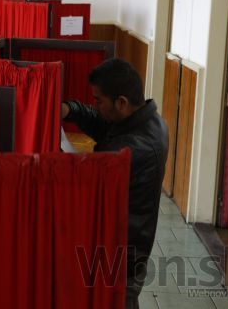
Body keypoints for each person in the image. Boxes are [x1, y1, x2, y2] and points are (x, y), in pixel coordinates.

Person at [61, 58, 168, 309]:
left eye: (99, 100)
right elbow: (104, 124)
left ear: (121, 102)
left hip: (121, 253)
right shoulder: (146, 121)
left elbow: (86, 177)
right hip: (123, 245)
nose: (95, 106)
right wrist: (71, 109)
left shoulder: (133, 149)